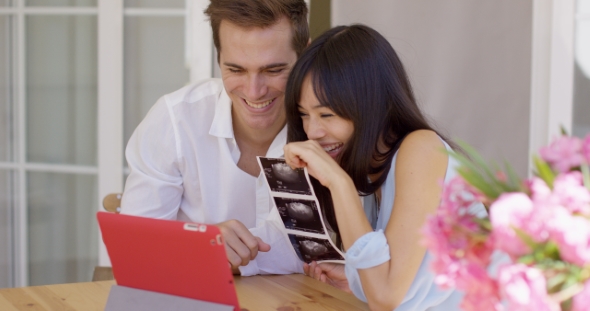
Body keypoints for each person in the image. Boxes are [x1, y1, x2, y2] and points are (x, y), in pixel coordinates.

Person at [283, 24, 481, 310]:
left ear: (372, 105)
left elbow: (386, 296)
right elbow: (396, 283)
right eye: (304, 115)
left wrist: (338, 183)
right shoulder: (368, 170)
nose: (312, 131)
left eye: (326, 114)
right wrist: (357, 281)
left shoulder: (421, 149)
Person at [120, 0, 309, 276]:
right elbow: (134, 250)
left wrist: (201, 252)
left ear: (305, 57)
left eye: (273, 70)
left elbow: (319, 254)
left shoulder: (326, 130)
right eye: (236, 70)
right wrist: (201, 246)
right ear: (218, 59)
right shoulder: (175, 120)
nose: (254, 91)